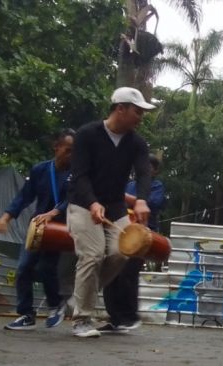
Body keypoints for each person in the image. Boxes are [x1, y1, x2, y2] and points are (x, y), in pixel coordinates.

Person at [67, 87, 154, 338]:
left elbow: (144, 172)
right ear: (120, 109)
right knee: (93, 255)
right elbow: (80, 175)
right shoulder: (87, 134)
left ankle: (80, 298)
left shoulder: (136, 142)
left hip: (115, 206)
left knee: (122, 252)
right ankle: (82, 318)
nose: (140, 117)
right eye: (137, 111)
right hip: (83, 203)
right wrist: (93, 203)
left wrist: (141, 200)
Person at [0, 129, 75, 330]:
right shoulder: (40, 170)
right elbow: (24, 197)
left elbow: (72, 199)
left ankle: (56, 305)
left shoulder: (76, 174)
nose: (72, 155)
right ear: (56, 147)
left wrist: (54, 213)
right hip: (37, 228)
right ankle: (26, 314)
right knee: (23, 268)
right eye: (68, 150)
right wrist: (5, 218)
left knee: (47, 268)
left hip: (60, 229)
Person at [98, 154, 166, 333]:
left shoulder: (156, 186)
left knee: (129, 273)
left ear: (154, 170)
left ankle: (130, 316)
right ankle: (115, 318)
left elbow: (154, 204)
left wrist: (126, 198)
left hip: (143, 236)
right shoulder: (128, 185)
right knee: (111, 272)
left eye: (148, 166)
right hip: (121, 232)